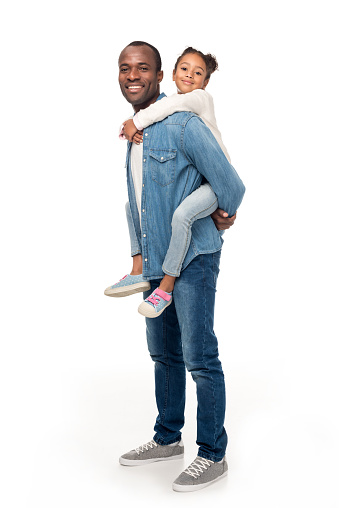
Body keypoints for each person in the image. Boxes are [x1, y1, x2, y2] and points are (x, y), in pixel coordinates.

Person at [111, 41, 245, 492]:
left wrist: (222, 216)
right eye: (125, 68)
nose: (133, 76)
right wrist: (136, 259)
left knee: (199, 357)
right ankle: (167, 437)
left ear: (159, 74)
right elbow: (136, 204)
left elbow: (231, 183)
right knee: (162, 353)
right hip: (155, 264)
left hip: (193, 259)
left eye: (142, 68)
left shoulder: (185, 123)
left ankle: (212, 453)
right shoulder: (134, 135)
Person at [105, 47, 241, 321]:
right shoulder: (167, 115)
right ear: (174, 73)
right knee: (132, 204)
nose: (190, 75)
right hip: (164, 239)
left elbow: (169, 105)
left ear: (205, 82)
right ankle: (138, 270)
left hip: (213, 186)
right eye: (185, 69)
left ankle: (165, 287)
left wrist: (135, 121)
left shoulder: (196, 101)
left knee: (182, 215)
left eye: (198, 72)